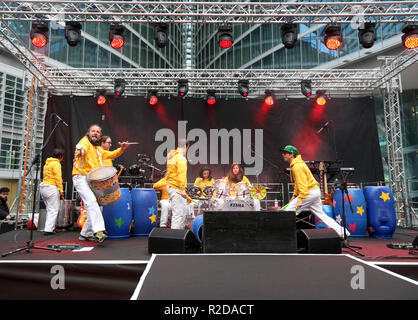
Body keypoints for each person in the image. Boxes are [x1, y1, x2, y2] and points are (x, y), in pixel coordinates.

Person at [73, 124, 130, 242]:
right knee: (92, 202)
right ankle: (98, 231)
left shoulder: (98, 150)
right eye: (93, 131)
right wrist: (80, 151)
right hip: (81, 177)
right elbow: (81, 147)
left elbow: (112, 154)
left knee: (97, 206)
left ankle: (85, 234)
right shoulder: (85, 142)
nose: (95, 133)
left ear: (100, 135)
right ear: (89, 132)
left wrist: (122, 149)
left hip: (91, 180)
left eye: (98, 132)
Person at [280, 145, 349, 238]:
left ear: (291, 154)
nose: (283, 154)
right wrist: (295, 195)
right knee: (321, 215)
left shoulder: (297, 166)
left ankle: (283, 237)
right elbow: (298, 183)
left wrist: (300, 199)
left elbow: (302, 185)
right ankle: (343, 232)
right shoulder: (298, 164)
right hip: (314, 192)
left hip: (309, 192)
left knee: (288, 212)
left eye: (285, 153)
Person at [165, 140, 190, 229]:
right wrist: (183, 190)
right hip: (177, 188)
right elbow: (181, 175)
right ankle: (174, 238)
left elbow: (168, 173)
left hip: (172, 186)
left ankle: (180, 235)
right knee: (178, 214)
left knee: (183, 212)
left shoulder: (171, 156)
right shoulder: (181, 158)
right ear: (186, 147)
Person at [39, 148, 64, 235]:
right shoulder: (56, 164)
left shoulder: (47, 163)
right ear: (61, 157)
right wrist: (61, 190)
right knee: (53, 210)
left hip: (43, 187)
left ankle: (49, 228)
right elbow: (58, 177)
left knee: (50, 209)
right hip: (51, 187)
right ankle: (48, 229)